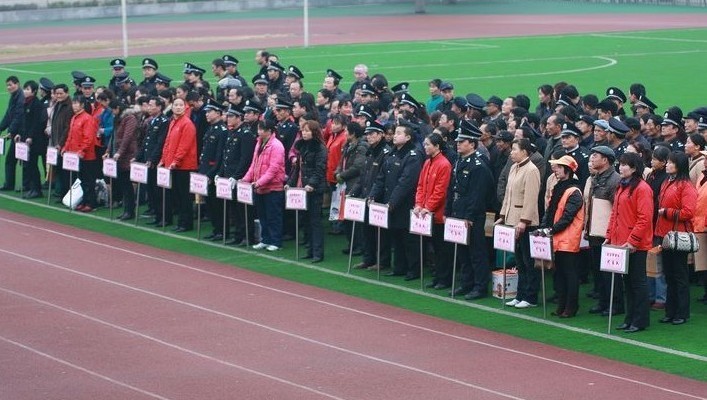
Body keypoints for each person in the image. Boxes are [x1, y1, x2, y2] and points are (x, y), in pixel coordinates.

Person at [606, 152, 653, 333]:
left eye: (625, 164)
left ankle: (640, 320)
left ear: (634, 168)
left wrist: (633, 241)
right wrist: (609, 236)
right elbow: (614, 214)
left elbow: (644, 218)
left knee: (637, 281)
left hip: (636, 245)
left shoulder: (642, 188)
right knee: (627, 281)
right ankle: (630, 317)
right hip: (621, 242)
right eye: (620, 164)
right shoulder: (622, 185)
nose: (621, 167)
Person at [369, 124, 423, 280]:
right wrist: (373, 195)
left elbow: (405, 183)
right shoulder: (392, 153)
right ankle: (399, 267)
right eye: (395, 133)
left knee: (409, 238)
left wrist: (392, 202)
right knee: (396, 236)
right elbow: (381, 178)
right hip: (391, 202)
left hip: (405, 203)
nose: (395, 135)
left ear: (408, 137)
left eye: (399, 133)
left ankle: (413, 270)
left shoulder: (413, 156)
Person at [446, 124, 494, 298]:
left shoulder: (478, 165)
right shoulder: (459, 161)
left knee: (476, 252)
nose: (458, 144)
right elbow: (452, 189)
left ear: (472, 144)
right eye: (458, 141)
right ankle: (466, 283)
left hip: (472, 215)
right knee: (462, 251)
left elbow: (477, 195)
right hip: (458, 212)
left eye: (462, 141)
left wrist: (469, 216)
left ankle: (480, 286)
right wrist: (448, 211)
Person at [537, 155, 584, 317]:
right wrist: (545, 228)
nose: (555, 170)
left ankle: (571, 307)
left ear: (568, 170)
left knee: (569, 274)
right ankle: (562, 305)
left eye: (559, 167)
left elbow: (567, 217)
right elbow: (550, 211)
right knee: (560, 274)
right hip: (557, 237)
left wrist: (550, 230)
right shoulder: (559, 187)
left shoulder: (574, 191)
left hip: (567, 239)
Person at [498, 138, 541, 309]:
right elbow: (508, 195)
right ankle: (520, 294)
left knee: (528, 261)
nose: (511, 152)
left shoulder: (532, 170)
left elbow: (531, 199)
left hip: (526, 223)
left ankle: (530, 297)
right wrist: (503, 215)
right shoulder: (514, 167)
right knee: (519, 261)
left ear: (524, 151)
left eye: (515, 149)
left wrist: (524, 221)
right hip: (512, 219)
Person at [655, 151, 697, 326]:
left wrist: (667, 212)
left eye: (671, 162)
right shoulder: (667, 182)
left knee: (679, 275)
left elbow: (688, 212)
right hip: (665, 235)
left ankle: (682, 312)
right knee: (669, 275)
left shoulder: (686, 186)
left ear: (679, 165)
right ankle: (670, 311)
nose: (668, 165)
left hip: (679, 236)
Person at [413, 132, 452, 289]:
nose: (425, 147)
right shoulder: (427, 162)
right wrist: (418, 204)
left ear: (437, 146)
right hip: (426, 213)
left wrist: (428, 207)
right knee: (434, 248)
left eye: (428, 144)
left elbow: (440, 191)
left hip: (438, 215)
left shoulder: (444, 164)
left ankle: (444, 278)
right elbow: (421, 186)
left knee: (442, 249)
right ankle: (438, 276)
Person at [351, 121, 391, 270]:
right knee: (366, 230)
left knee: (380, 233)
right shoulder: (370, 151)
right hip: (367, 196)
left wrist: (374, 195)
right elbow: (363, 176)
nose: (369, 136)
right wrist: (353, 192)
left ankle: (382, 261)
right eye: (367, 134)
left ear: (381, 135)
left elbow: (383, 179)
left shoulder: (385, 153)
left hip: (379, 198)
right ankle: (368, 259)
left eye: (372, 134)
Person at [243, 119, 286, 252]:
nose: (259, 132)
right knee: (263, 216)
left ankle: (276, 241)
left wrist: (259, 182)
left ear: (269, 131)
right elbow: (254, 164)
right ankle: (265, 239)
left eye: (262, 129)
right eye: (259, 129)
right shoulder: (259, 143)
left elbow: (273, 169)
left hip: (273, 187)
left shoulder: (277, 146)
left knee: (273, 216)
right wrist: (246, 179)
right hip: (260, 187)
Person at [288, 120, 328, 262]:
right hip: (302, 188)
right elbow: (298, 169)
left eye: (307, 131)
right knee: (306, 220)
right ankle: (310, 249)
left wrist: (311, 184)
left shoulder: (320, 148)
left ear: (314, 132)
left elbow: (320, 169)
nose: (304, 133)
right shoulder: (302, 146)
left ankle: (318, 252)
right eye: (303, 131)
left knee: (315, 221)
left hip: (314, 189)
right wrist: (290, 183)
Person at [158, 97, 198, 232]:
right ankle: (181, 222)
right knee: (177, 195)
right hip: (173, 165)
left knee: (184, 196)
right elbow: (168, 143)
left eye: (181, 105)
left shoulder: (187, 124)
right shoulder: (173, 122)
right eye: (176, 105)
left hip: (184, 166)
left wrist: (176, 160)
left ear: (185, 107)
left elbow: (184, 146)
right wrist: (163, 159)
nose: (178, 107)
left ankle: (186, 223)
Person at [221, 104, 256, 246]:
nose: (228, 118)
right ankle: (238, 235)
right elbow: (226, 156)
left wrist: (237, 176)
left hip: (240, 177)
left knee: (243, 209)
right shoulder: (233, 132)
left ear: (239, 118)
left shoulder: (245, 134)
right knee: (234, 208)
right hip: (230, 175)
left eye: (231, 116)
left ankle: (247, 236)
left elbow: (245, 158)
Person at [62, 95, 99, 212]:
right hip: (75, 155)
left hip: (86, 156)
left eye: (76, 103)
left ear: (82, 105)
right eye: (73, 103)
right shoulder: (74, 117)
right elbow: (70, 136)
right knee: (81, 179)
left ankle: (91, 203)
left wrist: (82, 150)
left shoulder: (87, 119)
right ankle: (84, 201)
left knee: (88, 180)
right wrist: (65, 147)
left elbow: (88, 138)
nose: (74, 105)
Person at [199, 100, 228, 241]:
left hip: (213, 173)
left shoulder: (222, 131)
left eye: (209, 112)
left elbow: (219, 156)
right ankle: (216, 229)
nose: (207, 114)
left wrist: (212, 173)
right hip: (206, 170)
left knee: (217, 204)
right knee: (210, 203)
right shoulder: (211, 128)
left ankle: (222, 230)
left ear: (218, 113)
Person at [106, 100, 138, 220]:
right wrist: (108, 150)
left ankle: (130, 211)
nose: (112, 113)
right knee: (123, 185)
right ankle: (127, 210)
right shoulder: (118, 119)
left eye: (113, 110)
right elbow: (114, 136)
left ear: (118, 108)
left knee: (127, 185)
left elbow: (127, 137)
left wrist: (119, 152)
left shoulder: (130, 118)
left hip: (127, 155)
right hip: (118, 156)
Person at [18, 80, 48, 199]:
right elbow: (24, 122)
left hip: (35, 141)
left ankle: (37, 189)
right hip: (26, 139)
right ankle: (32, 188)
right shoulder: (26, 102)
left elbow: (36, 123)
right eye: (24, 89)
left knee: (32, 164)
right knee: (29, 165)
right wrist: (20, 134)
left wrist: (30, 136)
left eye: (28, 89)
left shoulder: (36, 104)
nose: (25, 91)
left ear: (34, 91)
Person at [1, 76, 25, 191]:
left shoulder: (20, 98)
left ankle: (24, 186)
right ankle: (12, 184)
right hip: (16, 134)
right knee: (13, 159)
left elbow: (18, 117)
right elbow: (8, 115)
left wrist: (10, 131)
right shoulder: (14, 96)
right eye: (7, 85)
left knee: (19, 160)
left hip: (20, 134)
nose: (8, 87)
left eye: (10, 85)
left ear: (17, 84)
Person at [693, 150, 707, 305]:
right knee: (703, 262)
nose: (705, 161)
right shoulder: (702, 176)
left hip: (704, 223)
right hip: (699, 224)